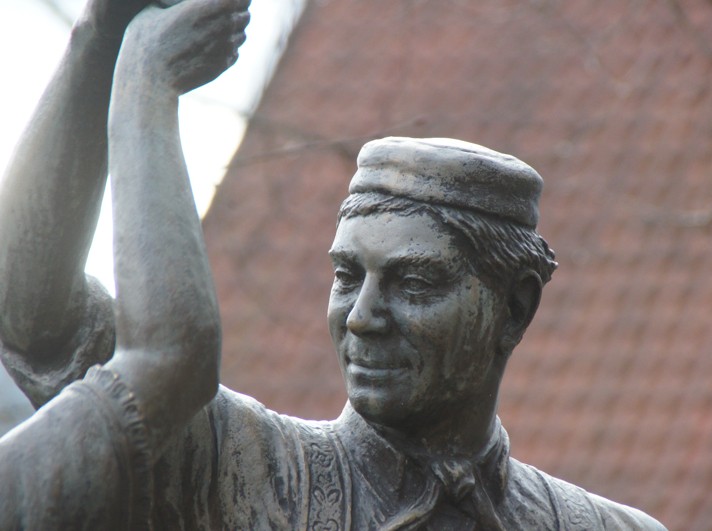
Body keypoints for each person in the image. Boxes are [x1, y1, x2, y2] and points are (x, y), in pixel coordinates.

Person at [0, 1, 667, 529]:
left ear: (515, 308)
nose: (363, 317)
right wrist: (98, 44)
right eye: (347, 276)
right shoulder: (246, 465)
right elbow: (35, 317)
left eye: (413, 282)